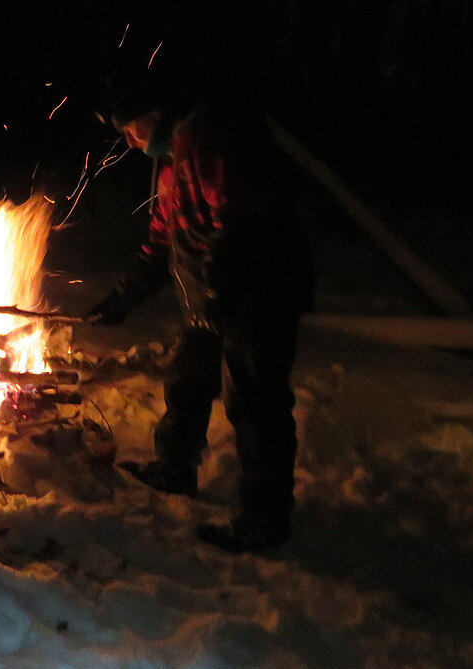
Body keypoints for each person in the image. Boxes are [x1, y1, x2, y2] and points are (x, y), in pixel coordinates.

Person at [87, 71, 315, 553]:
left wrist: (221, 290)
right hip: (213, 302)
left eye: (132, 129)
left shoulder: (209, 135)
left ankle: (264, 518)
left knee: (255, 403)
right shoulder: (174, 162)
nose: (129, 143)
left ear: (154, 116)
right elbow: (159, 244)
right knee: (188, 379)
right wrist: (121, 299)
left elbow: (241, 214)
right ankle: (175, 468)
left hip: (257, 295)